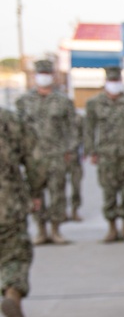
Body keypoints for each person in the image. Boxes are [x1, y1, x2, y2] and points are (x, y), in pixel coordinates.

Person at [15, 59, 77, 245]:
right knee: (35, 193)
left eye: (47, 73)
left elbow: (72, 127)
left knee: (57, 192)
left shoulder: (63, 101)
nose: (43, 77)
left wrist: (70, 149)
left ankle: (56, 230)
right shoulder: (23, 101)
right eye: (40, 73)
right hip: (33, 156)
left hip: (57, 154)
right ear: (35, 76)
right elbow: (17, 129)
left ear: (52, 75)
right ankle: (41, 230)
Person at [84, 66, 124, 243]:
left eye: (116, 81)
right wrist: (91, 151)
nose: (114, 84)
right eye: (111, 81)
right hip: (106, 154)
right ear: (106, 82)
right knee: (109, 191)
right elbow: (89, 128)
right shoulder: (94, 103)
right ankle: (112, 228)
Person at [0, 108, 44, 317]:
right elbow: (35, 157)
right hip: (8, 201)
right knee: (15, 254)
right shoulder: (8, 119)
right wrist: (35, 191)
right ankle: (12, 294)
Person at [66, 110, 84, 221]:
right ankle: (61, 212)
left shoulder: (77, 118)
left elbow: (84, 134)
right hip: (57, 156)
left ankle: (74, 210)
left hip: (74, 156)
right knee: (58, 187)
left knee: (76, 185)